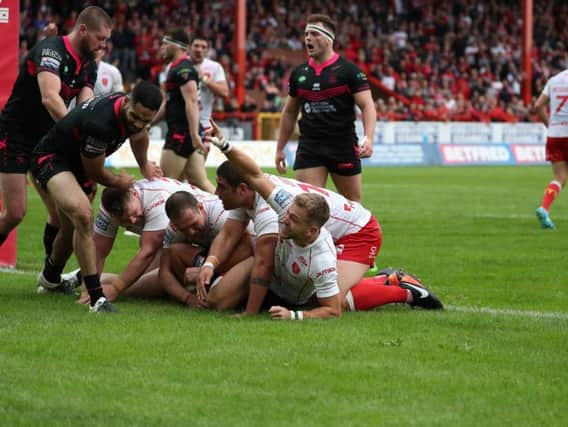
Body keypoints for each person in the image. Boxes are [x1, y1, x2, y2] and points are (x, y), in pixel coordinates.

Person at [198, 127, 443, 319]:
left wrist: (250, 314)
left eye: (221, 186)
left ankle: (403, 290)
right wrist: (224, 144)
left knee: (328, 302)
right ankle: (385, 279)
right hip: (319, 227)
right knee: (305, 292)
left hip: (360, 233)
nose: (216, 192)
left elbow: (264, 263)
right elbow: (251, 178)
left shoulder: (270, 212)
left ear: (242, 190)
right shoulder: (270, 196)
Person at [30, 81, 163, 313]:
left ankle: (50, 278)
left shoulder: (132, 112)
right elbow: (95, 172)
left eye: (146, 120)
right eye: (135, 116)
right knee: (83, 216)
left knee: (71, 227)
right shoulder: (100, 123)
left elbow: (139, 134)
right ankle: (97, 298)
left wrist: (144, 165)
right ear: (128, 101)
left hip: (77, 162)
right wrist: (117, 181)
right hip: (51, 159)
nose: (138, 123)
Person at [0, 6, 112, 261]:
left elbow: (85, 107)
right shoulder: (52, 50)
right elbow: (50, 98)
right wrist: (75, 133)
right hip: (15, 134)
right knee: (15, 212)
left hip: (47, 138)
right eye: (100, 38)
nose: (102, 45)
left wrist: (93, 131)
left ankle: (50, 277)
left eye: (106, 40)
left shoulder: (89, 65)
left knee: (62, 216)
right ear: (82, 30)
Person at [274, 13, 376, 203]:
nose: (308, 39)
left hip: (342, 145)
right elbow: (289, 112)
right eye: (306, 35)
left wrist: (369, 138)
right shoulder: (299, 74)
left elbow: (367, 105)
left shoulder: (349, 71)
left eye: (314, 34)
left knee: (352, 205)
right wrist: (280, 147)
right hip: (310, 146)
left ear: (329, 40)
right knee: (307, 205)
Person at [158, 191, 254, 310]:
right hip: (214, 260)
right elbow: (164, 273)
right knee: (174, 252)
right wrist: (187, 298)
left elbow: (248, 249)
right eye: (184, 229)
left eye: (194, 224)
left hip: (249, 259)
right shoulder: (173, 229)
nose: (191, 232)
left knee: (216, 302)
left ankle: (218, 290)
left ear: (200, 207)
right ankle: (198, 293)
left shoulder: (222, 215)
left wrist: (207, 269)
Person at [151, 29, 214, 193]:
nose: (162, 48)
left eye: (165, 43)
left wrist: (194, 135)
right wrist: (149, 124)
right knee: (200, 182)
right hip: (187, 134)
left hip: (181, 134)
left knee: (165, 185)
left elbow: (192, 103)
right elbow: (168, 104)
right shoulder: (174, 68)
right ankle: (228, 213)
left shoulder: (184, 69)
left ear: (176, 46)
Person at [534, 68, 568, 229]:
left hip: (555, 135)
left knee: (559, 178)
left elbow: (538, 106)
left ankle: (544, 209)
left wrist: (550, 126)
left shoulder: (554, 80)